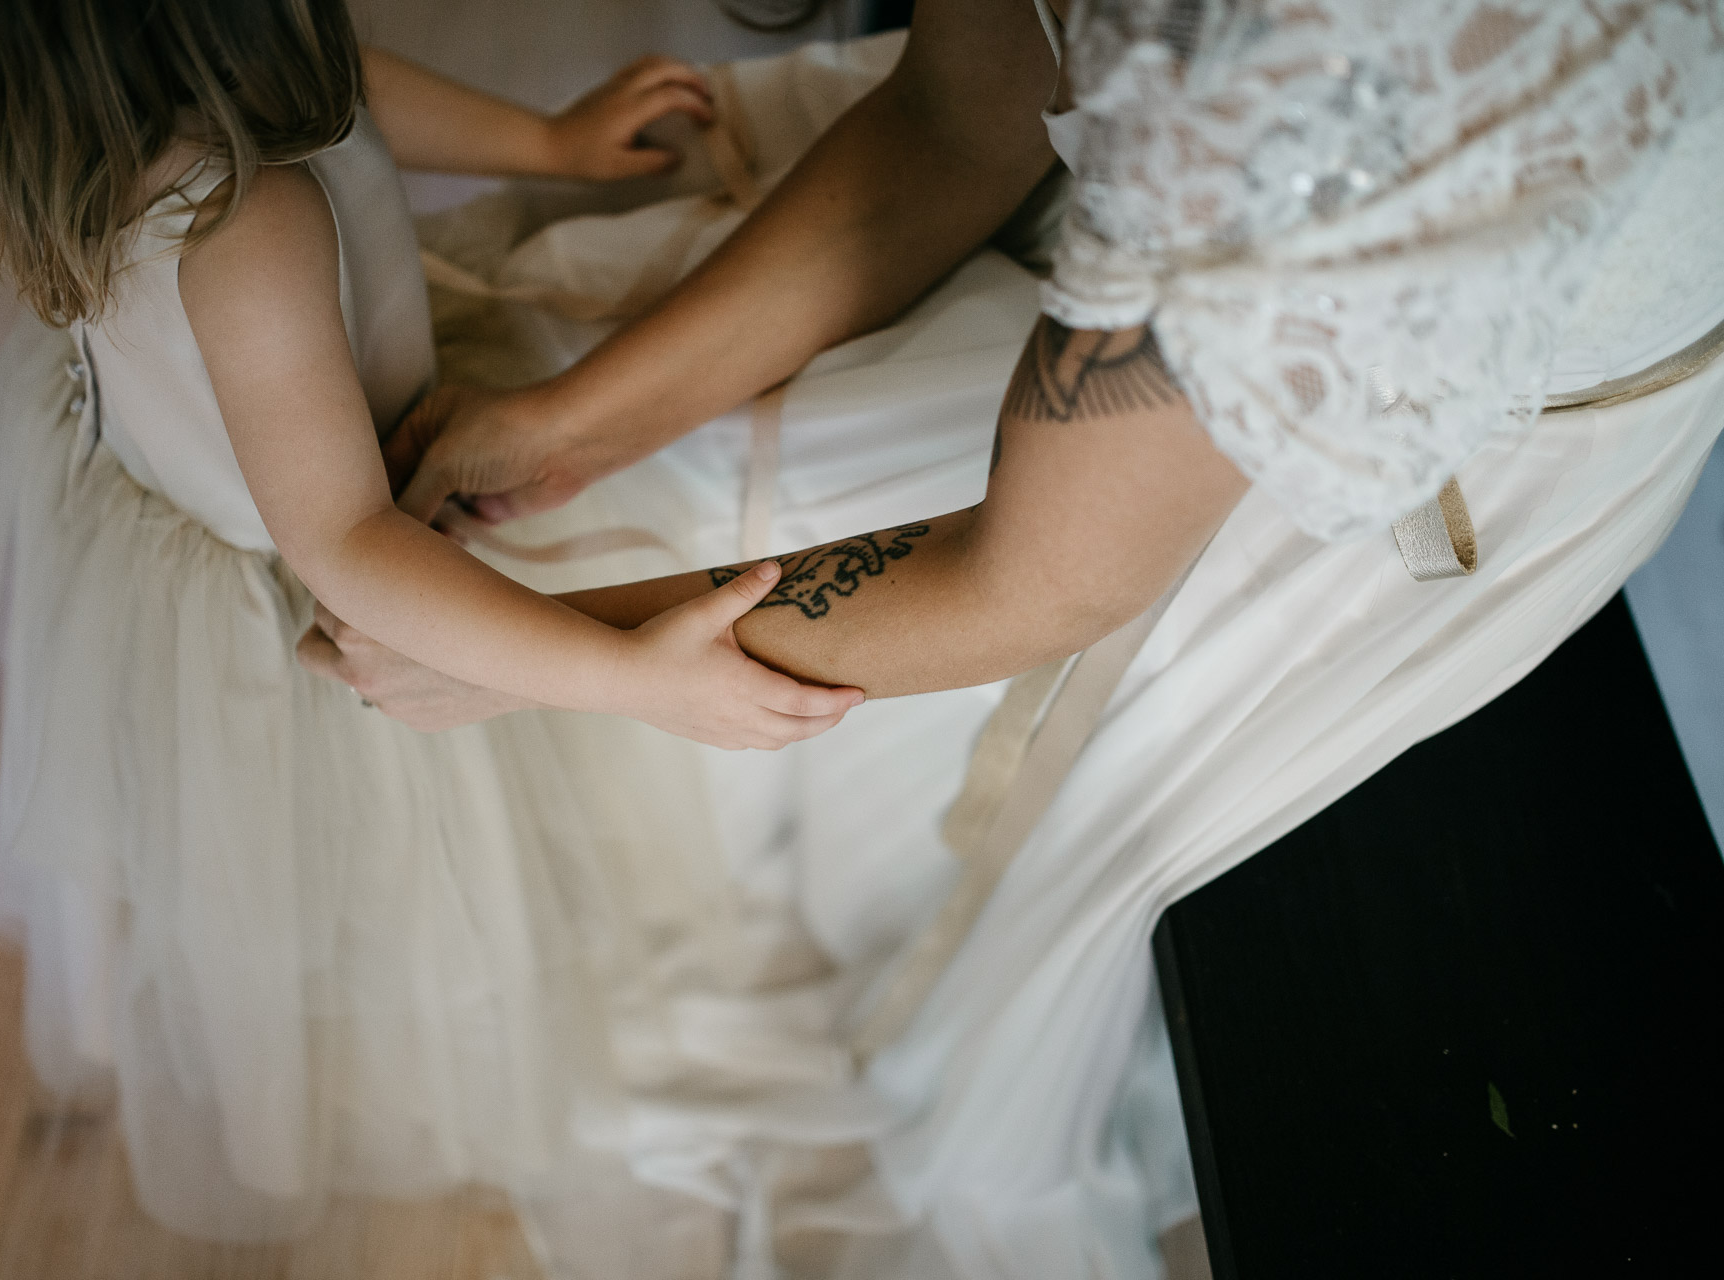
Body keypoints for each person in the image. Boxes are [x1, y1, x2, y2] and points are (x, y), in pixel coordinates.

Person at [308, 2, 1724, 1276]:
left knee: (1023, 884)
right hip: (1139, 326)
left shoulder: (1321, 78)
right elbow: (958, 115)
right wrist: (580, 425)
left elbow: (1035, 585)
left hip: (1388, 445)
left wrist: (534, 649)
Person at [0, 0, 867, 1242]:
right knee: (392, 876)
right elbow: (350, 542)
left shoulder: (104, 108)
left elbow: (342, 80)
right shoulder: (245, 221)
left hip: (249, 482)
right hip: (325, 572)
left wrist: (546, 142)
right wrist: (632, 674)